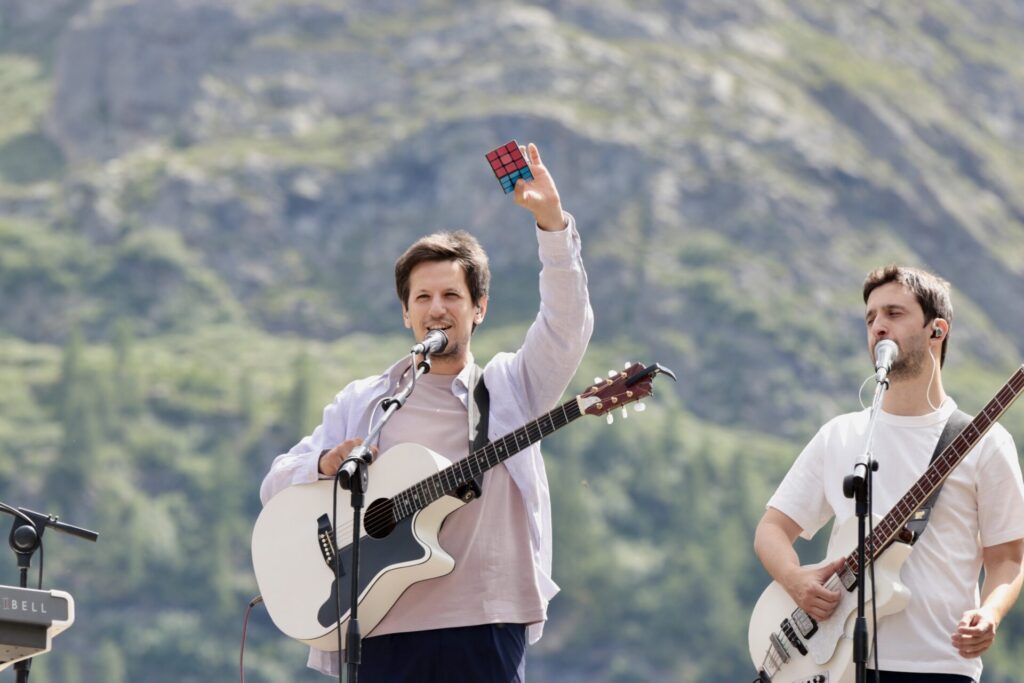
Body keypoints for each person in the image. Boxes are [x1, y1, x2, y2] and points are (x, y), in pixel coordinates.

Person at [259, 142, 593, 681]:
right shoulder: (366, 404)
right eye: (422, 298)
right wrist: (325, 464)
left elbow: (565, 327)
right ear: (405, 313)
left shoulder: (511, 388)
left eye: (451, 296)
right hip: (379, 626)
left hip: (487, 621)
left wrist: (552, 227)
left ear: (478, 308)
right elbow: (276, 483)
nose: (436, 308)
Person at [753, 265, 1024, 682]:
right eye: (871, 318)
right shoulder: (841, 435)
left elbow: (1007, 558)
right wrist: (795, 580)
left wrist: (990, 613)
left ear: (938, 330)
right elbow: (771, 530)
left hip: (939, 667)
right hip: (833, 665)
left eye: (894, 314)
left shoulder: (986, 442)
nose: (878, 326)